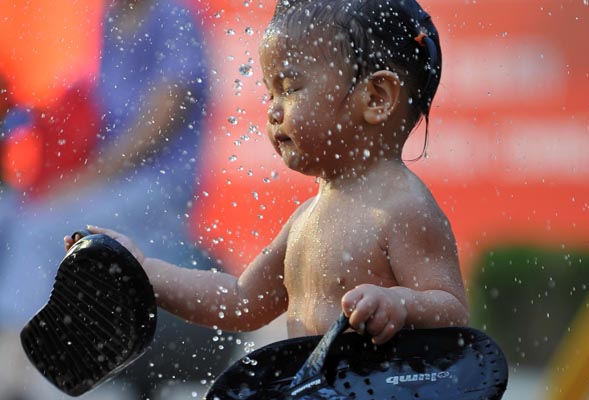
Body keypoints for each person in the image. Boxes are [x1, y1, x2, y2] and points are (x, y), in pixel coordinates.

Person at [66, 0, 469, 348]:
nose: (273, 110)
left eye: (290, 88)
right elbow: (239, 301)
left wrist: (401, 304)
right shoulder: (305, 221)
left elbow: (452, 311)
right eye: (270, 92)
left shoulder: (403, 207)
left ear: (376, 97)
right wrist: (142, 270)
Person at [0, 1, 236, 399]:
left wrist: (85, 180)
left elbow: (160, 119)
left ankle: (26, 368)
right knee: (11, 215)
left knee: (41, 229)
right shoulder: (110, 17)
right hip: (107, 181)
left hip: (154, 190)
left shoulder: (171, 16)